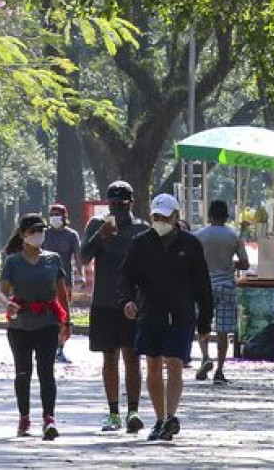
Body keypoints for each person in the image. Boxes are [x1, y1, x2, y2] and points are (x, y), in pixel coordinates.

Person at [119, 193, 213, 443]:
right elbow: (126, 277)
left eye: (165, 217)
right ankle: (160, 419)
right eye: (156, 217)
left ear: (176, 216)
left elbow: (202, 285)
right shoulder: (140, 243)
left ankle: (171, 417)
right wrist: (127, 300)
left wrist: (205, 320)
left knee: (174, 364)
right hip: (150, 313)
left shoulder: (191, 244)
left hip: (181, 315)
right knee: (153, 365)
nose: (160, 221)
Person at [81, 179, 148, 434]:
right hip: (104, 302)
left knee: (132, 358)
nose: (118, 208)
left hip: (131, 303)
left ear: (131, 203)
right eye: (113, 203)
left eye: (123, 203)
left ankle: (133, 411)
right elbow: (84, 257)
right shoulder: (97, 225)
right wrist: (99, 237)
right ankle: (113, 413)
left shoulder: (141, 228)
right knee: (109, 358)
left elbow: (148, 268)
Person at [0, 213, 71, 440]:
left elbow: (62, 292)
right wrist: (7, 303)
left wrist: (67, 321)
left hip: (47, 322)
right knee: (23, 372)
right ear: (23, 235)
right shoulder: (13, 262)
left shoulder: (53, 259)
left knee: (46, 371)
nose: (38, 235)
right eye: (33, 231)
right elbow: (2, 291)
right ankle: (24, 417)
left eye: (41, 231)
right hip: (20, 325)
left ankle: (49, 419)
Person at [191, 199, 250, 384]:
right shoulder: (233, 236)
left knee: (203, 324)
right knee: (223, 330)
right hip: (225, 285)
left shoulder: (198, 236)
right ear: (226, 216)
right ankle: (220, 369)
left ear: (209, 215)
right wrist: (231, 265)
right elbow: (245, 264)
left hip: (204, 286)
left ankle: (205, 357)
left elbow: (191, 261)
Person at [39, 203, 80, 363]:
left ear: (64, 217)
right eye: (52, 214)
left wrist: (81, 275)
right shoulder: (44, 234)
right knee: (46, 315)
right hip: (46, 281)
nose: (54, 217)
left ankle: (60, 347)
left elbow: (78, 257)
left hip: (65, 281)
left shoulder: (71, 235)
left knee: (63, 315)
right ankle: (45, 348)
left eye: (57, 214)